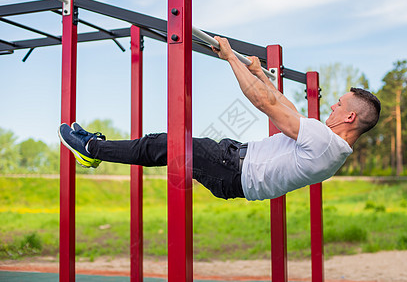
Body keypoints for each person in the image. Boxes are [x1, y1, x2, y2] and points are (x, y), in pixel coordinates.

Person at [58, 37, 381, 201]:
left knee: (162, 145)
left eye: (337, 105)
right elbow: (282, 106)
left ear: (350, 116)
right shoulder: (330, 149)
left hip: (232, 170)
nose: (331, 109)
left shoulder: (325, 141)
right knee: (163, 147)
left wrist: (231, 59)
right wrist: (261, 75)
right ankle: (94, 149)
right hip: (232, 168)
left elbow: (264, 103)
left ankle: (91, 149)